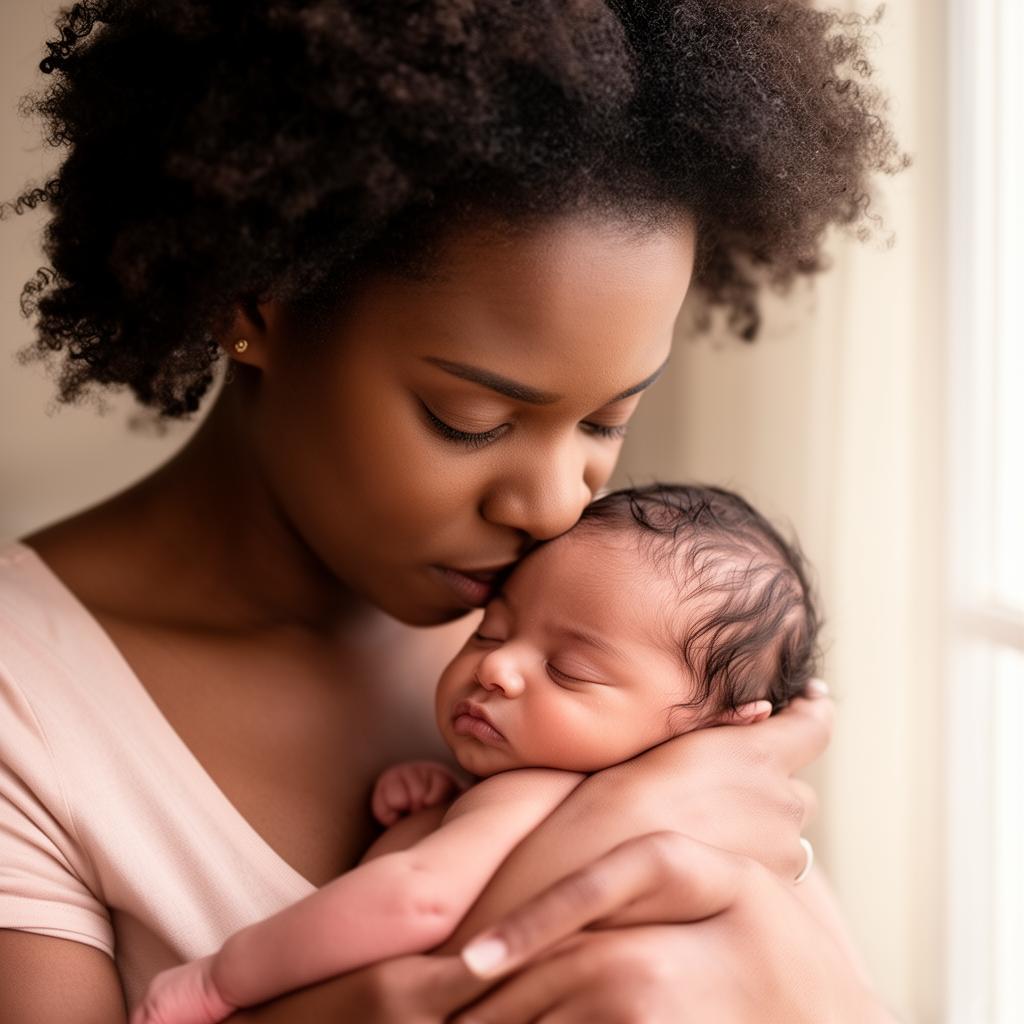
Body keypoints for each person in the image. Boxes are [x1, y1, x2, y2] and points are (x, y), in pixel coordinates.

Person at [0, 1, 907, 1020]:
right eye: (468, 418)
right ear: (253, 303)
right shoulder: (26, 706)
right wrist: (618, 823)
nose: (555, 503)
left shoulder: (625, 631)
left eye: (608, 423)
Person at [131, 483, 821, 1024]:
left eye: (571, 670)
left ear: (712, 731)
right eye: (492, 633)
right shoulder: (635, 815)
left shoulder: (532, 793)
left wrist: (222, 979)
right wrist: (446, 801)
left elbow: (418, 901)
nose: (498, 669)